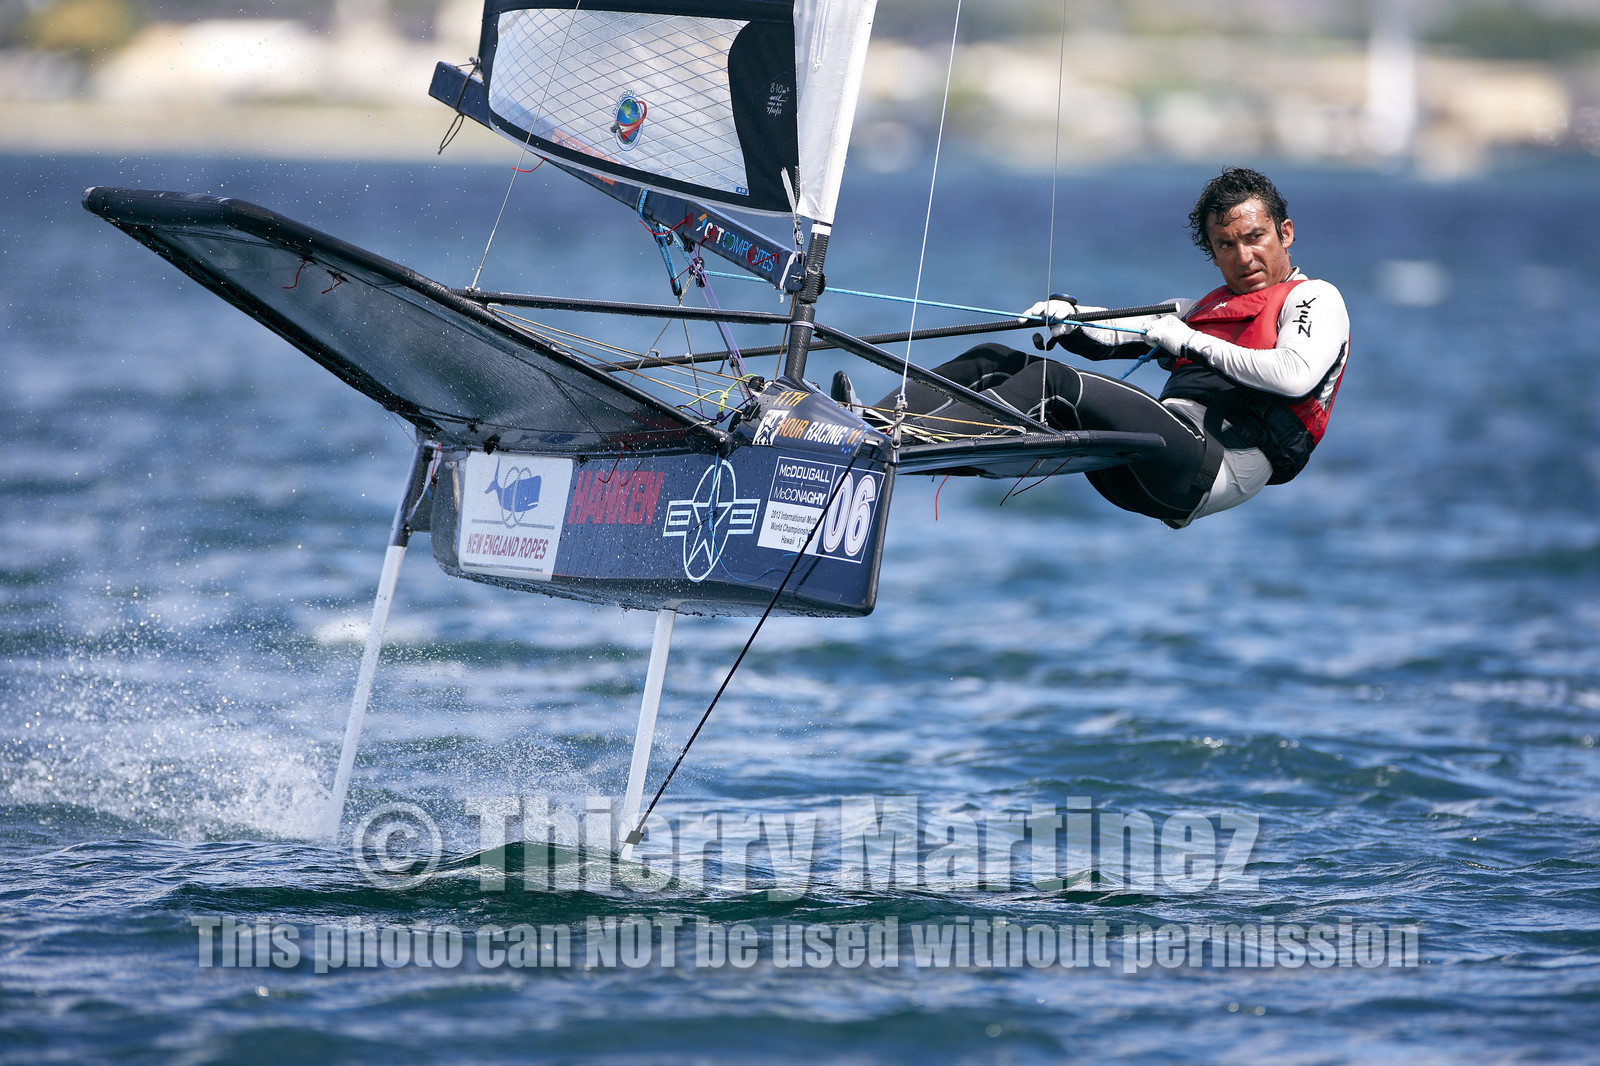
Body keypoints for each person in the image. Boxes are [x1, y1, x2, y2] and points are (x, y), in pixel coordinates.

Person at [861, 167, 1349, 528]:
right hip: (1142, 458)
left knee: (1051, 383)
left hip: (1209, 466)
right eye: (1225, 244)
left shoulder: (1314, 298)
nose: (1243, 256)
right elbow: (1117, 330)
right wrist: (1070, 321)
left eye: (1255, 237)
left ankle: (888, 448)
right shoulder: (1202, 310)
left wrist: (1191, 342)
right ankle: (865, 429)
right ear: (1212, 251)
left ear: (1284, 233)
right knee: (995, 360)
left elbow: (1294, 374)